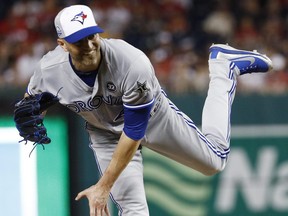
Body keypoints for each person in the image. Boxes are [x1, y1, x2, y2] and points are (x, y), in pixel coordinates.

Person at [23, 4, 273, 216]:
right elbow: (31, 105)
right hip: (105, 132)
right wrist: (33, 120)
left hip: (152, 118)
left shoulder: (131, 62)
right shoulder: (49, 70)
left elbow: (134, 131)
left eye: (92, 35)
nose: (89, 45)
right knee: (133, 207)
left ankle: (223, 67)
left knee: (214, 162)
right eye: (79, 40)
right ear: (62, 44)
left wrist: (103, 186)